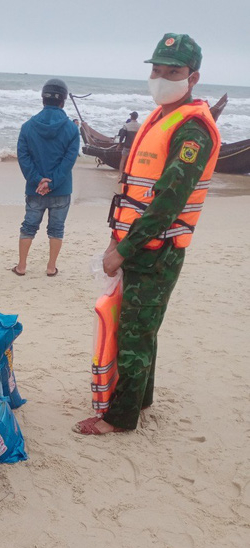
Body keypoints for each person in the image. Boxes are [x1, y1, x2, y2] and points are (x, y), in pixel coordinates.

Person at [74, 33, 221, 435]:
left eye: (171, 71)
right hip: (138, 241)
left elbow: (166, 203)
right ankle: (141, 397)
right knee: (142, 325)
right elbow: (132, 189)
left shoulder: (193, 129)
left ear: (192, 78)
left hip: (157, 248)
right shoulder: (161, 115)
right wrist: (114, 236)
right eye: (156, 70)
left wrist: (124, 249)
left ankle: (119, 419)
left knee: (134, 333)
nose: (160, 78)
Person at [12, 79, 80, 276]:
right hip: (61, 188)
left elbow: (23, 157)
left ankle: (22, 266)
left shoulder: (28, 126)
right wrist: (53, 182)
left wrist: (38, 180)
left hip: (35, 188)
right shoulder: (71, 128)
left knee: (28, 226)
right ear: (63, 101)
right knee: (56, 229)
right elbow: (69, 159)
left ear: (43, 98)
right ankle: (51, 268)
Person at [118, 111, 141, 176]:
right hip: (135, 147)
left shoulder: (126, 125)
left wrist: (119, 144)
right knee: (133, 161)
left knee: (123, 160)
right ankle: (132, 174)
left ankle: (120, 174)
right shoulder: (140, 126)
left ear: (131, 117)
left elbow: (122, 136)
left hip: (127, 146)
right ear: (137, 117)